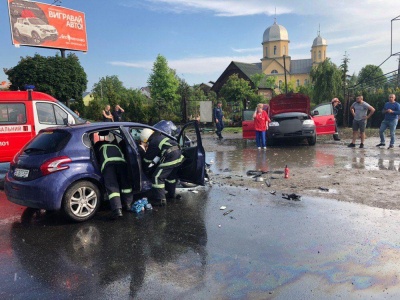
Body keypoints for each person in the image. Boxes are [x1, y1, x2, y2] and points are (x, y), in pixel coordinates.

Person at [140, 128, 184, 206]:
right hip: (179, 156)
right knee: (171, 177)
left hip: (171, 157)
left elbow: (147, 159)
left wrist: (144, 167)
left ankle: (160, 200)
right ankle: (171, 194)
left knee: (157, 177)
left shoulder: (153, 142)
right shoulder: (160, 137)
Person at [94, 131, 133, 219]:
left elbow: (96, 159)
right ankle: (128, 205)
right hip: (121, 163)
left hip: (108, 165)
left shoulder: (98, 146)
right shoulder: (115, 144)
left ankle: (117, 210)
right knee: (126, 185)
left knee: (112, 186)